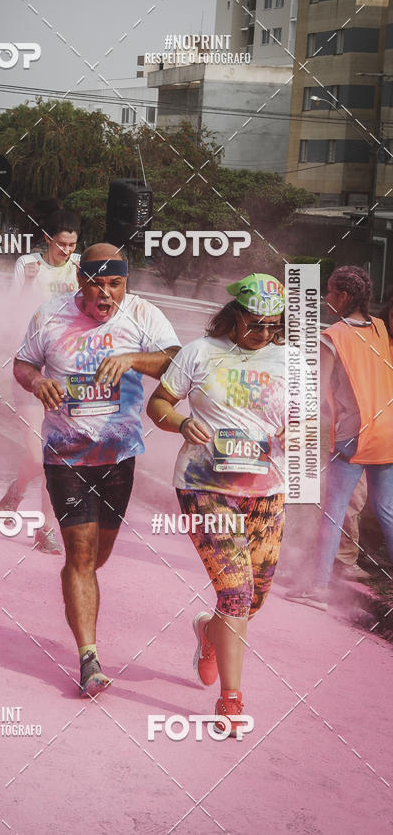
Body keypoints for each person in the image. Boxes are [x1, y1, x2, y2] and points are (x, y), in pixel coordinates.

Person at [14, 242, 180, 696]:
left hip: (118, 455)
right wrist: (38, 381)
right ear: (79, 281)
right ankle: (89, 659)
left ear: (126, 283)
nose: (105, 294)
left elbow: (176, 360)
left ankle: (78, 582)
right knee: (81, 556)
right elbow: (23, 364)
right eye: (96, 284)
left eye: (115, 284)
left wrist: (133, 360)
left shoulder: (141, 314)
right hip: (66, 453)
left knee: (98, 556)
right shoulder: (50, 315)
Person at [147, 273, 290, 737]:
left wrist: (295, 434)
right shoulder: (199, 353)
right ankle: (231, 701)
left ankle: (210, 632)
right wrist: (180, 423)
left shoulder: (290, 361)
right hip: (204, 486)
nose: (264, 332)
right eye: (255, 323)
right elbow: (159, 404)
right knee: (236, 593)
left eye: (273, 324)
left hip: (267, 492)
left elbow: (308, 425)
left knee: (254, 597)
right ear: (235, 315)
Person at [286, 266, 393, 611]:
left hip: (353, 435)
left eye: (330, 291)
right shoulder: (380, 328)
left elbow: (316, 392)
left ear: (344, 296)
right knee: (387, 510)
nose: (326, 297)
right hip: (387, 432)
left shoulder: (332, 337)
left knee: (332, 512)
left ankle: (318, 588)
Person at [0, 203, 81, 554]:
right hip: (31, 371)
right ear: (47, 239)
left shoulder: (80, 269)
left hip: (67, 374)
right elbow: (9, 312)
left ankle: (45, 530)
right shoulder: (27, 265)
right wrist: (29, 284)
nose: (67, 251)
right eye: (61, 244)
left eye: (72, 244)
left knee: (55, 457)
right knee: (36, 456)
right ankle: (15, 493)